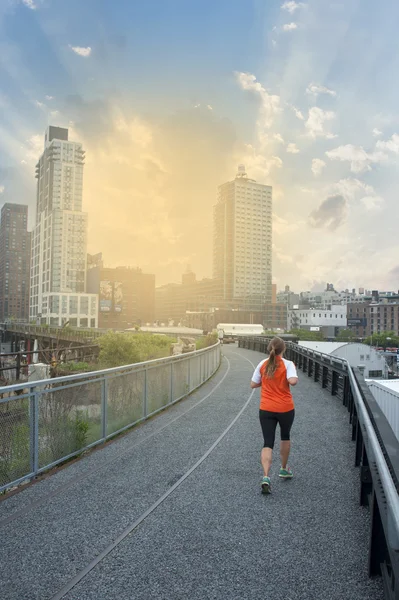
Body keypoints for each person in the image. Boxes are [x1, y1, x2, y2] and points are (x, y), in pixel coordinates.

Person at [250, 337, 298, 494]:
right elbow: (293, 381)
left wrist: (266, 381)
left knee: (267, 442)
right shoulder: (288, 364)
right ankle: (284, 469)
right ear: (283, 349)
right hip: (285, 408)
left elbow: (253, 384)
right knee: (285, 436)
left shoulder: (262, 364)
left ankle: (265, 476)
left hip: (266, 408)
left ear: (269, 348)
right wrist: (290, 377)